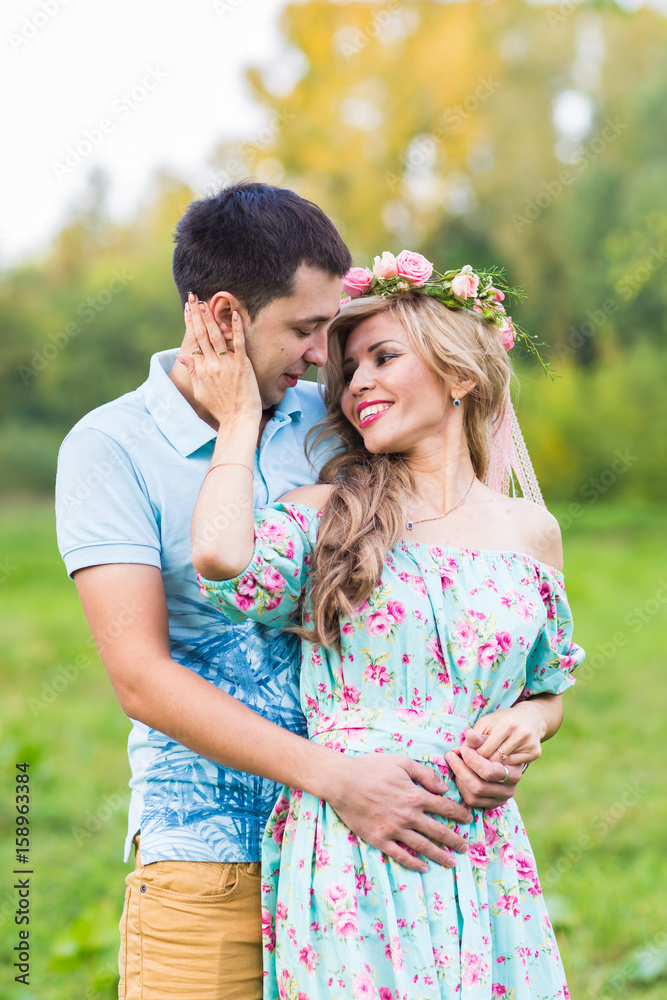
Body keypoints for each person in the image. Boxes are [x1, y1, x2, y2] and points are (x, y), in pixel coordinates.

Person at [55, 187, 526, 1000]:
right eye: (306, 329)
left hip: (374, 859)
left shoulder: (338, 420)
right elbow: (141, 678)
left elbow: (457, 571)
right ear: (226, 317)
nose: (321, 356)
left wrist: (505, 730)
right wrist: (336, 779)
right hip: (214, 859)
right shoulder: (109, 447)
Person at [190, 253, 584, 999]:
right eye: (349, 372)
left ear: (458, 373)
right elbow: (217, 556)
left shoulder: (530, 532)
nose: (356, 385)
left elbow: (547, 687)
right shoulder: (327, 514)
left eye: (383, 358)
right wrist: (238, 420)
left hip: (479, 847)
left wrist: (529, 724)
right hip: (353, 847)